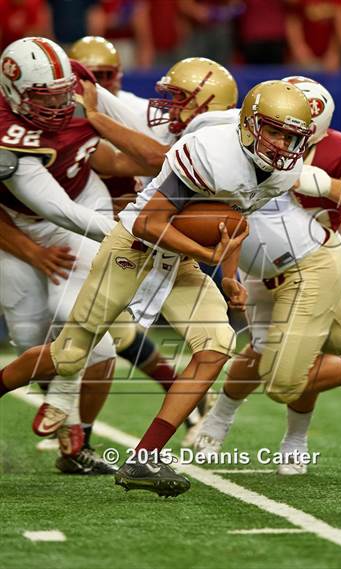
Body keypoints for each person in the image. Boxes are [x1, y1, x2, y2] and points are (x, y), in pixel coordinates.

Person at [0, 80, 318, 497]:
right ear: (249, 125)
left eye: (290, 136)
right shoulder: (212, 152)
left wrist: (228, 277)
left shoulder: (281, 174)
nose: (281, 144)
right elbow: (149, 222)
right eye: (273, 131)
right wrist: (207, 256)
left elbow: (233, 224)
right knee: (69, 354)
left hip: (180, 257)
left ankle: (143, 459)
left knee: (217, 345)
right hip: (132, 247)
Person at [194, 76, 341, 475]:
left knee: (284, 377)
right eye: (277, 124)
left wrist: (326, 183)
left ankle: (299, 430)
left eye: (293, 128)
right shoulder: (246, 138)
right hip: (264, 270)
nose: (281, 138)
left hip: (312, 263)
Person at [0, 36, 165, 474]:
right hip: (18, 226)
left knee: (77, 317)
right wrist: (124, 231)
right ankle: (67, 414)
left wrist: (99, 112)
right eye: (45, 98)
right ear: (13, 92)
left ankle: (71, 422)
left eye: (62, 94)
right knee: (30, 338)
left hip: (83, 200)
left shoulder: (78, 79)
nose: (58, 106)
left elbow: (138, 135)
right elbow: (54, 209)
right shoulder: (4, 135)